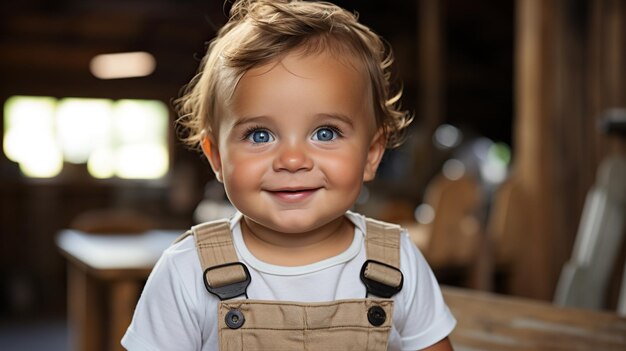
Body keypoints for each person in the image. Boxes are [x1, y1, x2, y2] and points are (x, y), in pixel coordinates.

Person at [122, 1, 456, 350]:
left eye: (325, 133)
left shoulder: (397, 261)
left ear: (371, 155)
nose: (293, 160)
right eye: (260, 135)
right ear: (217, 158)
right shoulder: (186, 270)